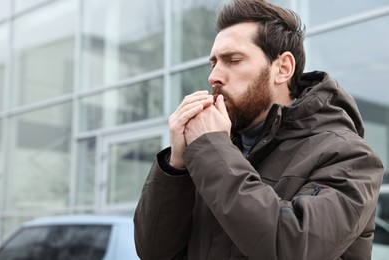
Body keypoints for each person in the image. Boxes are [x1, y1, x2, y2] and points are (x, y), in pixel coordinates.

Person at [134, 0, 384, 259]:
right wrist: (177, 165)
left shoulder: (350, 157)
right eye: (214, 63)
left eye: (233, 60)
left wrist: (210, 148)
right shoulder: (211, 152)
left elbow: (291, 246)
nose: (214, 76)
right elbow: (154, 252)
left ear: (283, 69)